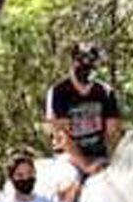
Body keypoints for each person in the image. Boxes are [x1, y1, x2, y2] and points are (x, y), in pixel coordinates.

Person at [43, 42, 122, 181]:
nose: (86, 65)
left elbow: (113, 132)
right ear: (73, 61)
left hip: (99, 156)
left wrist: (114, 160)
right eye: (81, 60)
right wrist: (85, 165)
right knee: (70, 184)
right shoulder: (58, 92)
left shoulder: (105, 92)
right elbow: (61, 135)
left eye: (91, 61)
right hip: (68, 158)